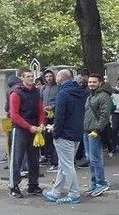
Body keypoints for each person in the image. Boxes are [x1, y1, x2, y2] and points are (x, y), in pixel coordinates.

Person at [42, 69, 87, 204]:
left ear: (60, 79)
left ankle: (74, 194)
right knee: (63, 164)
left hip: (64, 134)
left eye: (57, 77)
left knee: (67, 165)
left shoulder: (62, 93)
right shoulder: (81, 92)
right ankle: (55, 192)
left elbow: (60, 116)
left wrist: (55, 132)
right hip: (77, 132)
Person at [8, 68, 45, 198]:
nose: (30, 78)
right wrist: (29, 127)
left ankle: (33, 185)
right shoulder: (16, 93)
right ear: (22, 78)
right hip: (20, 130)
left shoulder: (36, 92)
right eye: (28, 76)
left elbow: (40, 110)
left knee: (34, 159)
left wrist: (41, 123)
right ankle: (13, 186)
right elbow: (14, 115)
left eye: (31, 76)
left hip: (35, 129)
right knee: (17, 159)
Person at [83, 74, 111, 197]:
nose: (91, 84)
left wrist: (97, 129)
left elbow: (105, 115)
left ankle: (101, 182)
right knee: (89, 158)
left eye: (94, 82)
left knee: (95, 158)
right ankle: (94, 182)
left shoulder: (103, 96)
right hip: (87, 131)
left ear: (99, 83)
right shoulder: (91, 96)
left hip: (95, 131)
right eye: (90, 82)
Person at [40, 70, 59, 169]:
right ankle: (49, 157)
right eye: (46, 76)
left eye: (50, 76)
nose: (48, 78)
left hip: (55, 116)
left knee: (54, 137)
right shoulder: (44, 88)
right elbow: (40, 101)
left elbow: (59, 101)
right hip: (45, 116)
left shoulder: (58, 87)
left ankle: (55, 161)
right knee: (46, 138)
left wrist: (52, 107)